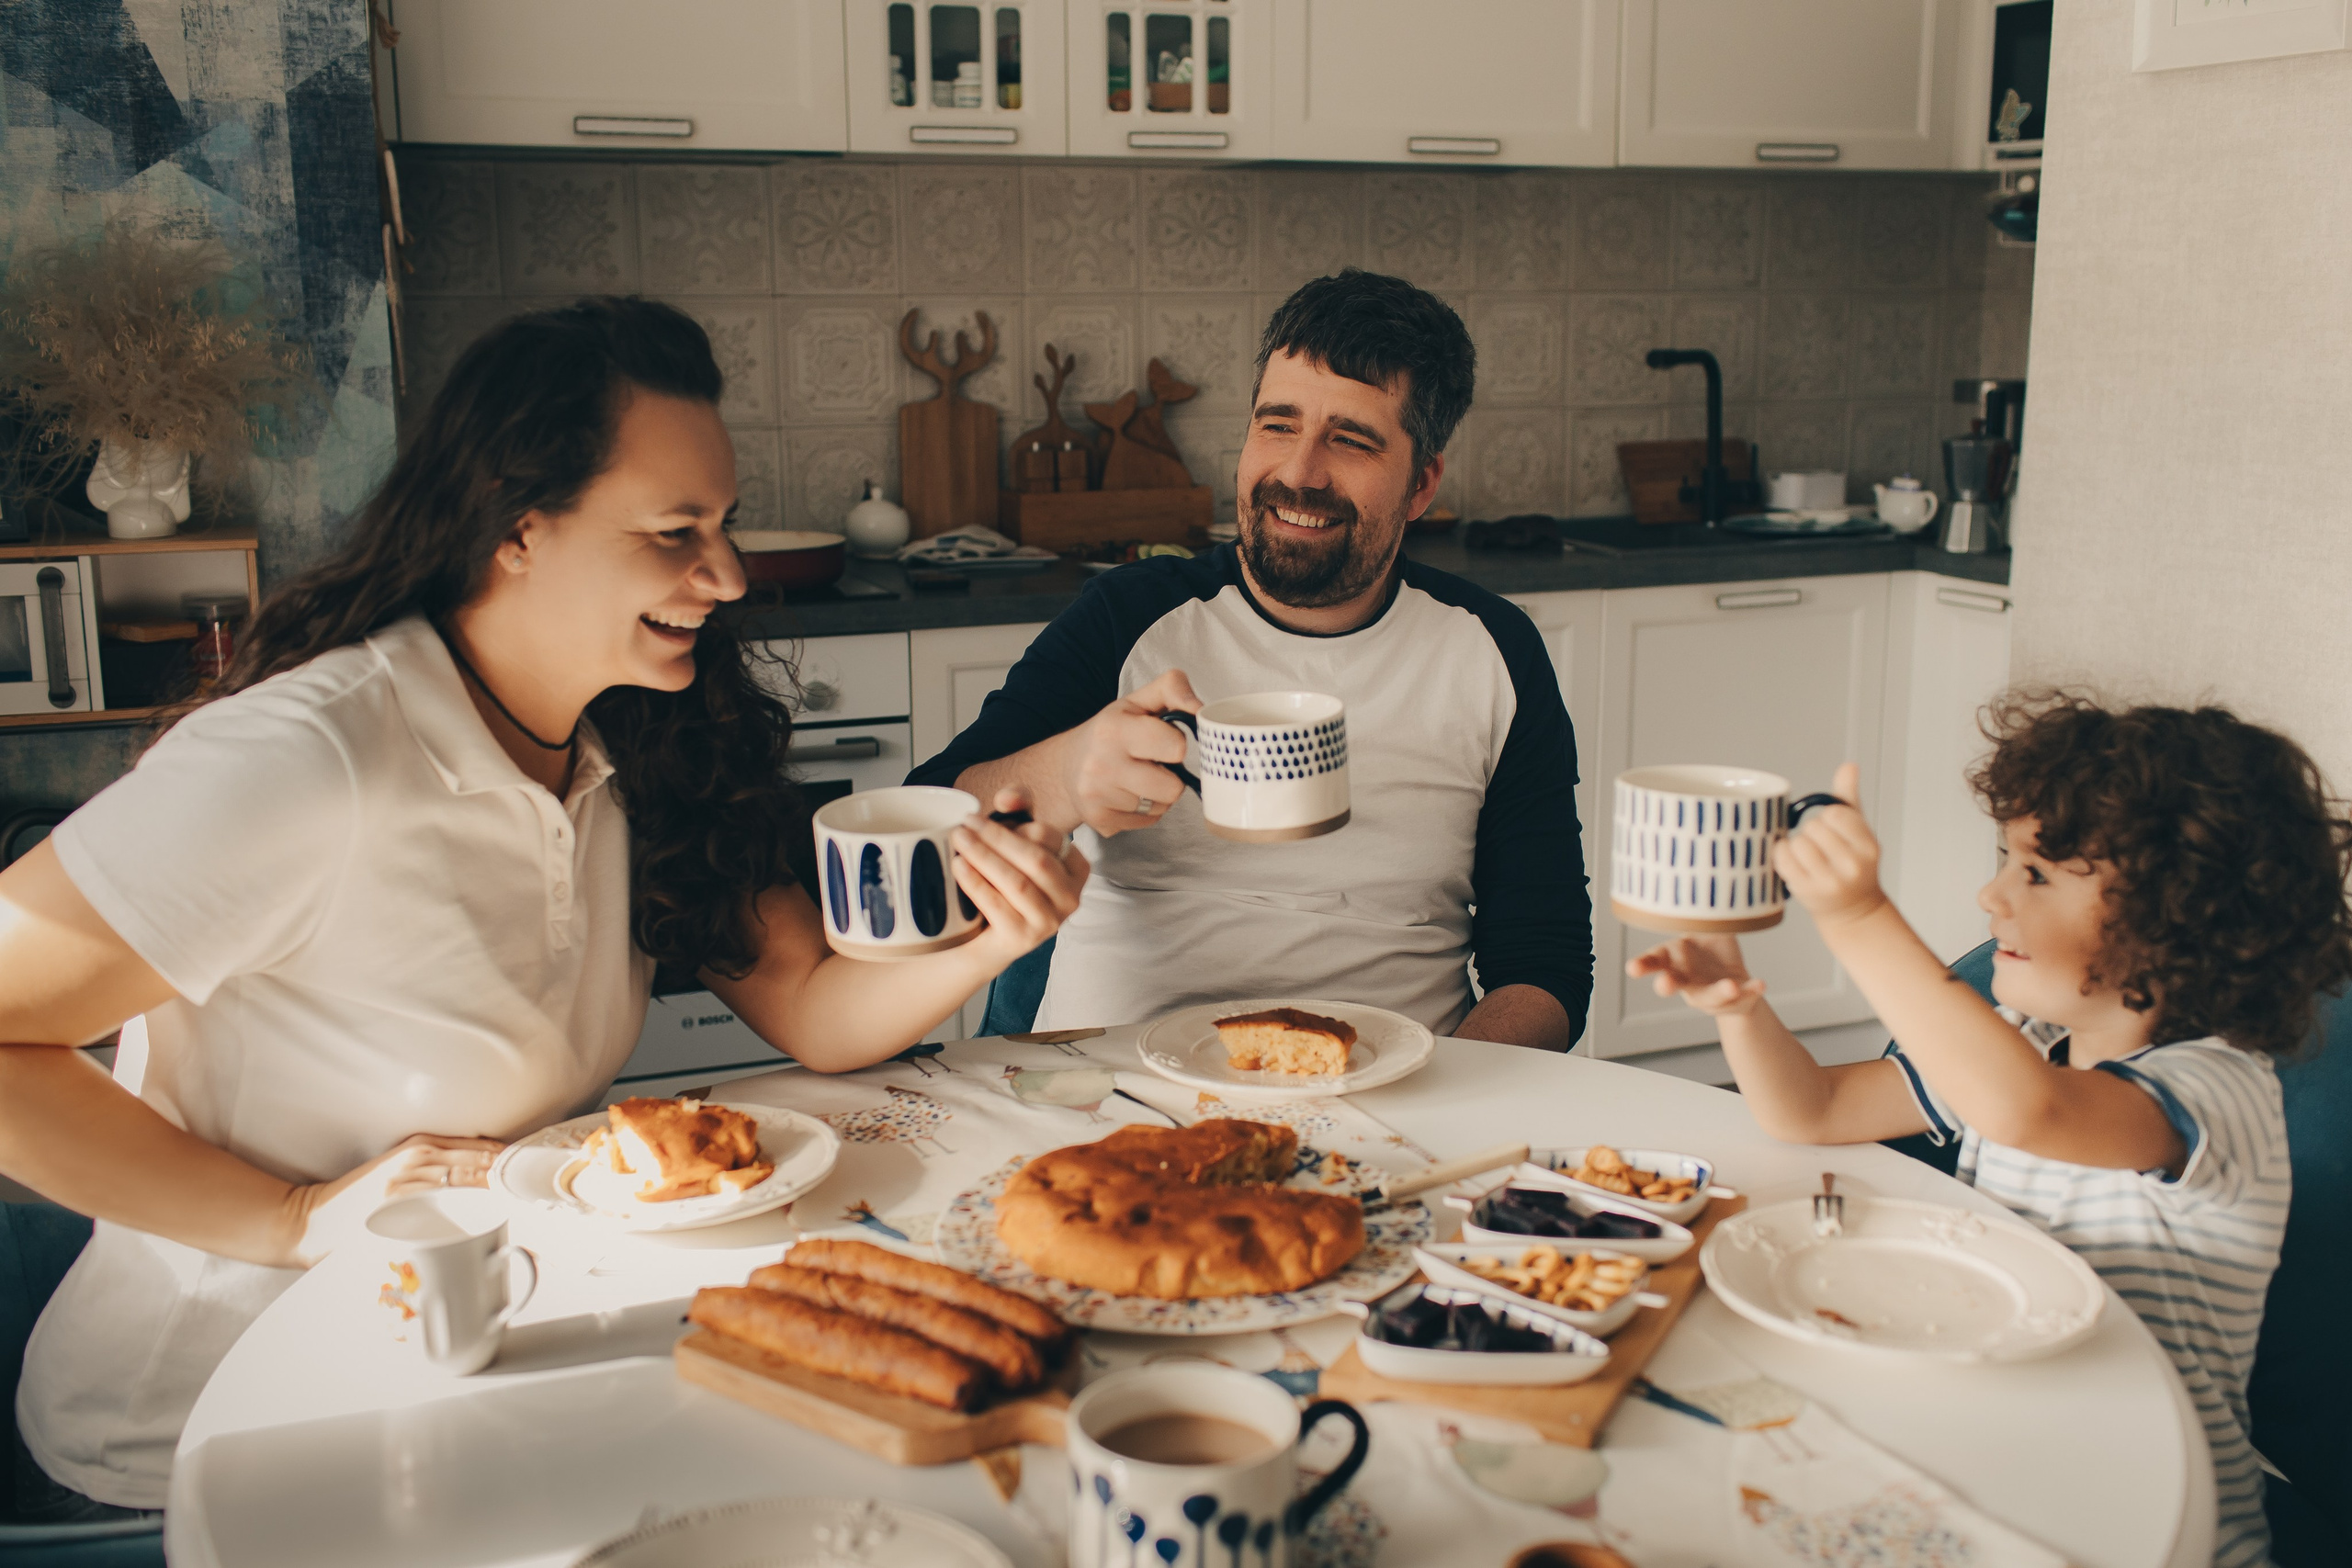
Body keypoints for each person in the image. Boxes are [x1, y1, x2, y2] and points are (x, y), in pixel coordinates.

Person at [0, 298, 1087, 1518]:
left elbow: (819, 1012)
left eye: (722, 525)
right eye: (677, 531)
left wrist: (1006, 927)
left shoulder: (629, 731)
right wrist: (294, 1216)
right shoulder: (312, 756)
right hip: (205, 1435)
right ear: (520, 527)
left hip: (451, 1371)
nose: (725, 575)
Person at [1633, 694, 2352, 1568]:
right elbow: (1812, 1108)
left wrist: (1860, 916)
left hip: (2159, 1518)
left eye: (2038, 874)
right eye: (2005, 862)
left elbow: (2028, 1112)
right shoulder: (2025, 1049)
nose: (1991, 894)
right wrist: (1740, 1005)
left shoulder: (2212, 1092)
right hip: (2009, 1450)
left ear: (2179, 918)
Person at [908, 269, 1591, 1048]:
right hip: (1116, 1092)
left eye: (1351, 440)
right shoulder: (1131, 617)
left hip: (1393, 1101)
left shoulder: (1492, 652)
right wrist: (1065, 774)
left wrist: (1434, 1094)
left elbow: (1545, 964)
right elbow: (925, 820)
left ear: (1422, 484)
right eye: (1277, 425)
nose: (1299, 472)